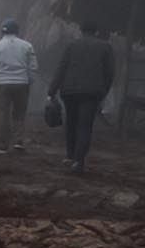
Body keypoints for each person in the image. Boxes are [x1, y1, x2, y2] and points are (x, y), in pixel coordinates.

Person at [49, 21, 116, 174]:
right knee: (84, 126)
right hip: (91, 93)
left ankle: (70, 155)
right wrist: (103, 91)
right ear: (96, 31)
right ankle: (79, 161)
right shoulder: (105, 47)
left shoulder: (71, 45)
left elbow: (61, 68)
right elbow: (110, 73)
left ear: (81, 31)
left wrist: (51, 91)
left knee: (71, 123)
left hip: (70, 91)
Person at [0, 17, 38, 154]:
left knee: (2, 114)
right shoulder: (27, 46)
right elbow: (33, 66)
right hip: (22, 84)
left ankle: (2, 145)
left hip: (2, 84)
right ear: (17, 31)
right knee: (19, 113)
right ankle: (18, 141)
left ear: (2, 31)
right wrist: (29, 80)